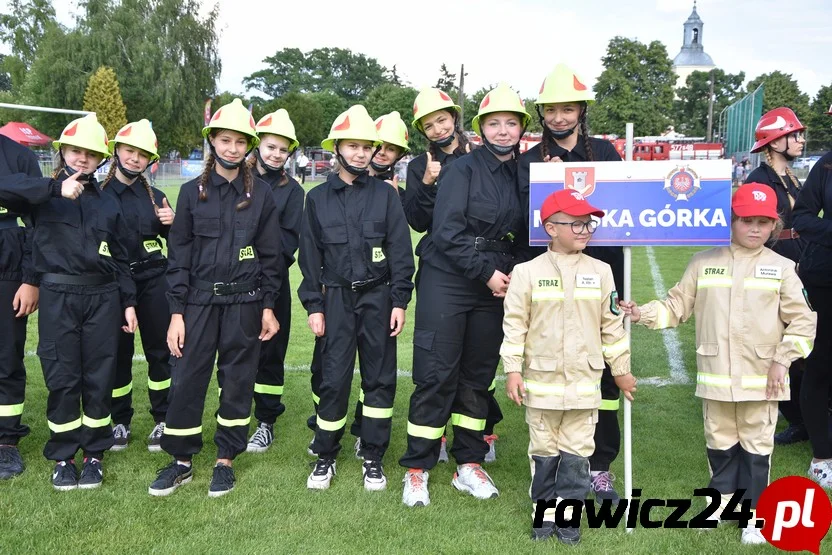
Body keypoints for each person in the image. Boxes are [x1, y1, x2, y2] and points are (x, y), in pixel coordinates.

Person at [623, 183, 816, 545]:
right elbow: (676, 307)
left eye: (763, 222)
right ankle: (721, 505)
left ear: (774, 226)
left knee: (758, 447)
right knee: (720, 442)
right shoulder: (703, 262)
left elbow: (804, 321)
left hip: (762, 378)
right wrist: (642, 313)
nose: (755, 228)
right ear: (731, 221)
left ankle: (756, 516)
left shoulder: (782, 268)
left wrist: (782, 359)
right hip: (716, 376)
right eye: (746, 220)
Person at [399, 83, 527, 507]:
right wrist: (486, 272)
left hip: (495, 282)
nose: (504, 130)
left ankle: (468, 464)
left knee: (477, 376)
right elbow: (446, 232)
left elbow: (528, 234)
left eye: (511, 123)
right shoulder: (461, 169)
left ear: (522, 127)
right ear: (481, 127)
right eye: (495, 123)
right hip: (449, 277)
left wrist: (510, 274)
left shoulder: (525, 171)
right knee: (436, 373)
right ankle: (417, 469)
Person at [149, 98, 283, 498]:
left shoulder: (262, 195)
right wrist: (176, 313)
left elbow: (272, 257)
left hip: (245, 302)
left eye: (240, 142)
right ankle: (181, 461)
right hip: (197, 304)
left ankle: (225, 459)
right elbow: (179, 257)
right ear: (212, 142)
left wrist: (268, 306)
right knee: (188, 378)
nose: (232, 148)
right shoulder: (191, 193)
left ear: (249, 147)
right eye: (225, 140)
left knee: (238, 380)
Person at [0, 114, 138, 490]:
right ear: (62, 152)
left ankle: (94, 454)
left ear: (101, 159)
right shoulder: (42, 195)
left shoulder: (109, 203)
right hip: (58, 295)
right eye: (76, 151)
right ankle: (63, 456)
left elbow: (121, 257)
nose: (82, 159)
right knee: (62, 377)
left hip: (103, 297)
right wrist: (52, 190)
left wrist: (128, 302)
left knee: (98, 377)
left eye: (91, 154)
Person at [501, 188, 635, 544]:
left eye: (588, 223)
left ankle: (569, 519)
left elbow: (611, 326)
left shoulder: (602, 271)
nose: (584, 230)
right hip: (541, 386)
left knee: (577, 456)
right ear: (550, 228)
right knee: (544, 453)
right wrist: (513, 369)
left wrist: (620, 370)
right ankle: (542, 517)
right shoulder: (526, 272)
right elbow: (515, 326)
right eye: (574, 224)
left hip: (584, 387)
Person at [518, 63, 626, 502]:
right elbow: (523, 221)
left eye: (568, 109)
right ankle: (553, 464)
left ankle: (598, 466)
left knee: (601, 375)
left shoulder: (606, 153)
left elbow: (623, 210)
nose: (559, 117)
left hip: (599, 275)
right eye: (551, 110)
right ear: (542, 114)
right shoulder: (530, 161)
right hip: (551, 280)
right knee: (553, 366)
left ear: (581, 110)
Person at [300, 105, 414, 491]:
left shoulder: (386, 195)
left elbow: (401, 251)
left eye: (367, 147)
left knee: (380, 378)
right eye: (353, 146)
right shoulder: (316, 199)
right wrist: (315, 307)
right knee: (332, 378)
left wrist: (399, 300)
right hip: (334, 300)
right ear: (338, 149)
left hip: (379, 298)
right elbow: (309, 258)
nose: (361, 153)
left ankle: (373, 456)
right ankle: (326, 455)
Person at [403, 88, 503, 463]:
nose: (437, 128)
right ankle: (434, 441)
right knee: (438, 361)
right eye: (429, 125)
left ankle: (478, 435)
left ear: (454, 118)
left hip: (482, 266)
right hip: (443, 265)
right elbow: (417, 220)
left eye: (442, 120)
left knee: (478, 362)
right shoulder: (418, 166)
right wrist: (428, 183)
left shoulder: (481, 155)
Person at [101, 119, 173, 453]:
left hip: (155, 281)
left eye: (142, 154)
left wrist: (172, 225)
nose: (134, 159)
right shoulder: (98, 196)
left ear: (150, 160)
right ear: (116, 151)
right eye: (129, 151)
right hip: (114, 284)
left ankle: (164, 418)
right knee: (119, 355)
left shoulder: (156, 197)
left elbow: (179, 243)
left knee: (162, 352)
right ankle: (120, 421)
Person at [745, 107, 808, 445]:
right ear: (774, 141)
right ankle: (795, 419)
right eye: (794, 134)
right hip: (777, 267)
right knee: (781, 346)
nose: (800, 140)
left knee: (803, 345)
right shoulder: (760, 180)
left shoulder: (793, 178)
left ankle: (805, 416)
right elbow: (757, 232)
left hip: (802, 263)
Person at [245, 109, 304, 453]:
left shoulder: (293, 192)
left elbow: (286, 243)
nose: (276, 154)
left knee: (270, 353)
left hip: (271, 283)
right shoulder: (237, 179)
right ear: (258, 145)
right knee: (235, 351)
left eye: (283, 150)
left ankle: (266, 422)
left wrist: (247, 253)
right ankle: (233, 415)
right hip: (231, 282)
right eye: (271, 147)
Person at [792, 138, 832, 488]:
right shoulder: (827, 165)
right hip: (825, 280)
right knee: (819, 364)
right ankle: (822, 456)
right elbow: (801, 216)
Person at [0, 135, 41, 480]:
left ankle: (6, 441)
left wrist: (31, 279)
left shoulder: (19, 156)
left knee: (6, 355)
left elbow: (37, 225)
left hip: (8, 272)